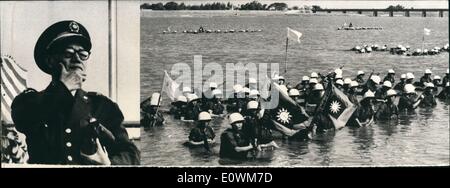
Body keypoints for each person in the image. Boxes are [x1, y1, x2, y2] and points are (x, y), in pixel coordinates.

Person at [11, 20, 139, 165]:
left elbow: (130, 153)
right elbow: (24, 120)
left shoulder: (103, 105)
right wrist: (63, 87)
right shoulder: (29, 102)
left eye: (83, 54)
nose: (77, 59)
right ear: (50, 61)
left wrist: (110, 164)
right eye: (68, 53)